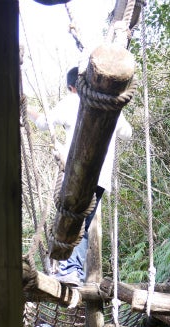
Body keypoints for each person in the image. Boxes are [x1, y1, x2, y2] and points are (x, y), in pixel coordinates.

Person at [28, 66, 133, 286]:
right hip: (101, 177)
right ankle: (75, 270)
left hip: (77, 174)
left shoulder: (72, 100)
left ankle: (69, 268)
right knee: (84, 224)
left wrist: (25, 107)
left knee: (71, 220)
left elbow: (42, 123)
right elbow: (127, 133)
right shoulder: (111, 106)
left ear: (72, 87)